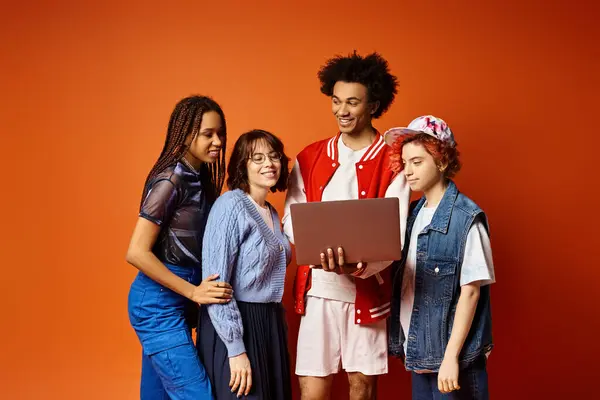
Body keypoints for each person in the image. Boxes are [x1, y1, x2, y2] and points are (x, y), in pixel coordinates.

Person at [283, 51, 410, 400]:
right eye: (336, 101)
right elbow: (290, 218)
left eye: (352, 102)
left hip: (366, 295)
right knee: (312, 389)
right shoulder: (309, 157)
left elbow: (395, 234)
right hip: (317, 293)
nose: (342, 111)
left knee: (362, 388)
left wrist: (363, 265)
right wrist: (314, 247)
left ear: (374, 105)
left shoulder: (394, 161)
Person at [126, 95, 233, 399]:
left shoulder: (199, 175)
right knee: (196, 394)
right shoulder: (171, 178)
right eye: (207, 134)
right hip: (158, 305)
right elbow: (136, 251)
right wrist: (193, 292)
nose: (217, 141)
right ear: (186, 134)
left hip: (177, 303)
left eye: (220, 133)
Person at [386, 115, 495, 400]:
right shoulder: (411, 215)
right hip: (421, 354)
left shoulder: (466, 218)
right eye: (405, 162)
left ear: (442, 160)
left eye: (418, 162)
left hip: (454, 360)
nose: (408, 171)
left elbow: (470, 293)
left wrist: (451, 359)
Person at [197, 129, 292, 399]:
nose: (269, 164)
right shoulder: (230, 205)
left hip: (269, 323)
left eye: (274, 157)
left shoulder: (272, 212)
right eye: (257, 158)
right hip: (237, 323)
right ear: (242, 165)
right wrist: (236, 348)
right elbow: (217, 284)